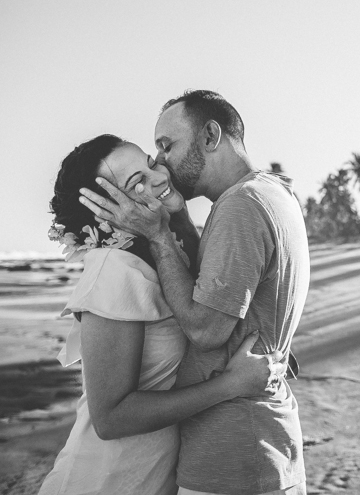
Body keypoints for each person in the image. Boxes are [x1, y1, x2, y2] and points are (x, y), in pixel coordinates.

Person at [80, 90, 310, 495]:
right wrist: (179, 220)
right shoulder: (274, 193)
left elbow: (206, 330)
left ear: (209, 136)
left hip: (234, 456)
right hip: (260, 443)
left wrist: (158, 235)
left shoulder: (240, 206)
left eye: (167, 146)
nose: (162, 161)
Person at [39, 135, 284, 495]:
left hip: (158, 476)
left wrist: (176, 219)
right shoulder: (115, 271)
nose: (158, 176)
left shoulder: (166, 255)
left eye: (150, 163)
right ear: (107, 212)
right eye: (136, 182)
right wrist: (230, 386)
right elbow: (110, 418)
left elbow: (211, 308)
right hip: (106, 480)